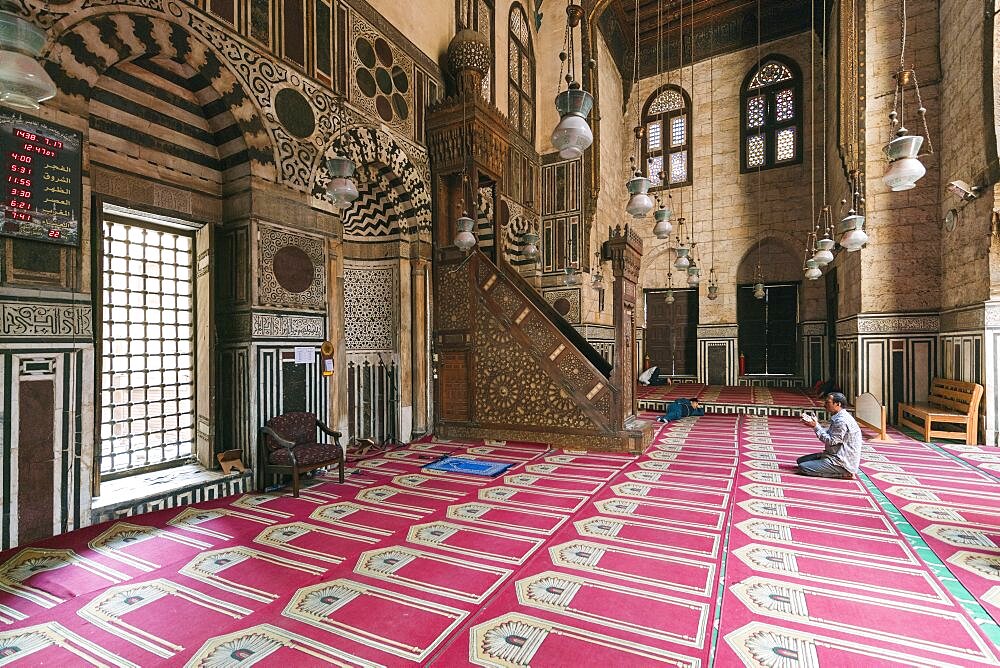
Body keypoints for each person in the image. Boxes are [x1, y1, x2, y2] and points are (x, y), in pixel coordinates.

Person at [798, 392, 863, 479]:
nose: (824, 405)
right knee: (800, 461)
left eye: (828, 402)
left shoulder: (842, 421)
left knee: (803, 467)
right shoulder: (840, 416)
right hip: (832, 454)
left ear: (838, 404)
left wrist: (815, 427)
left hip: (841, 461)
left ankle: (845, 473)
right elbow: (830, 434)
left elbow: (831, 441)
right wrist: (816, 424)